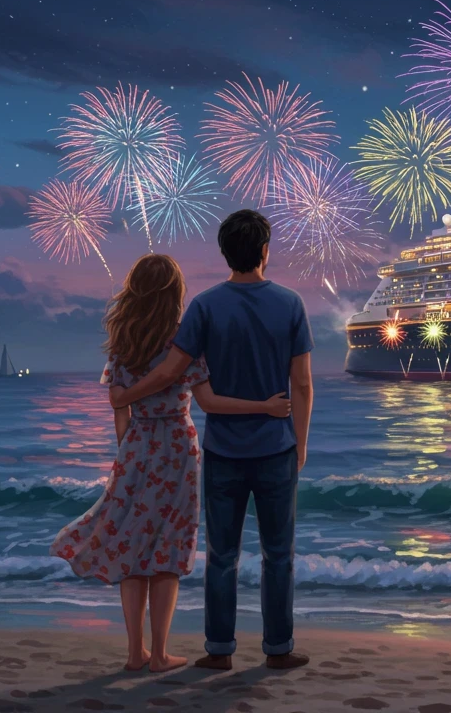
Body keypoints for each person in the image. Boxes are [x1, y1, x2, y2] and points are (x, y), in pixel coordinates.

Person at [50, 253, 292, 673]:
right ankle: (160, 653)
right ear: (173, 295)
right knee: (167, 550)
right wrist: (264, 407)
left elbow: (118, 407)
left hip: (137, 444)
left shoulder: (124, 344)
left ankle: (134, 653)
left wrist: (128, 449)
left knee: (131, 545)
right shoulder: (183, 344)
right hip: (178, 447)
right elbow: (209, 402)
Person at [110, 210, 314, 671]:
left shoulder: (203, 306)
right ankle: (277, 648)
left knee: (221, 554)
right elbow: (301, 384)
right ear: (265, 251)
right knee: (278, 554)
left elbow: (169, 370)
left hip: (222, 450)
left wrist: (124, 396)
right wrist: (299, 441)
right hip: (276, 446)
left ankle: (218, 649)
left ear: (225, 253)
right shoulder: (290, 304)